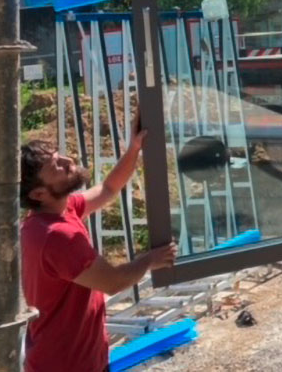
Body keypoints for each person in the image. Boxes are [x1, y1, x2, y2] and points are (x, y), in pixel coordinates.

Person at [20, 110, 176, 372]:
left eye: (60, 156)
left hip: (74, 359)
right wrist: (150, 260)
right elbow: (112, 282)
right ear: (38, 194)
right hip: (67, 365)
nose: (68, 161)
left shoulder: (57, 211)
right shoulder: (56, 235)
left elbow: (108, 189)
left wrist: (134, 149)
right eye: (56, 166)